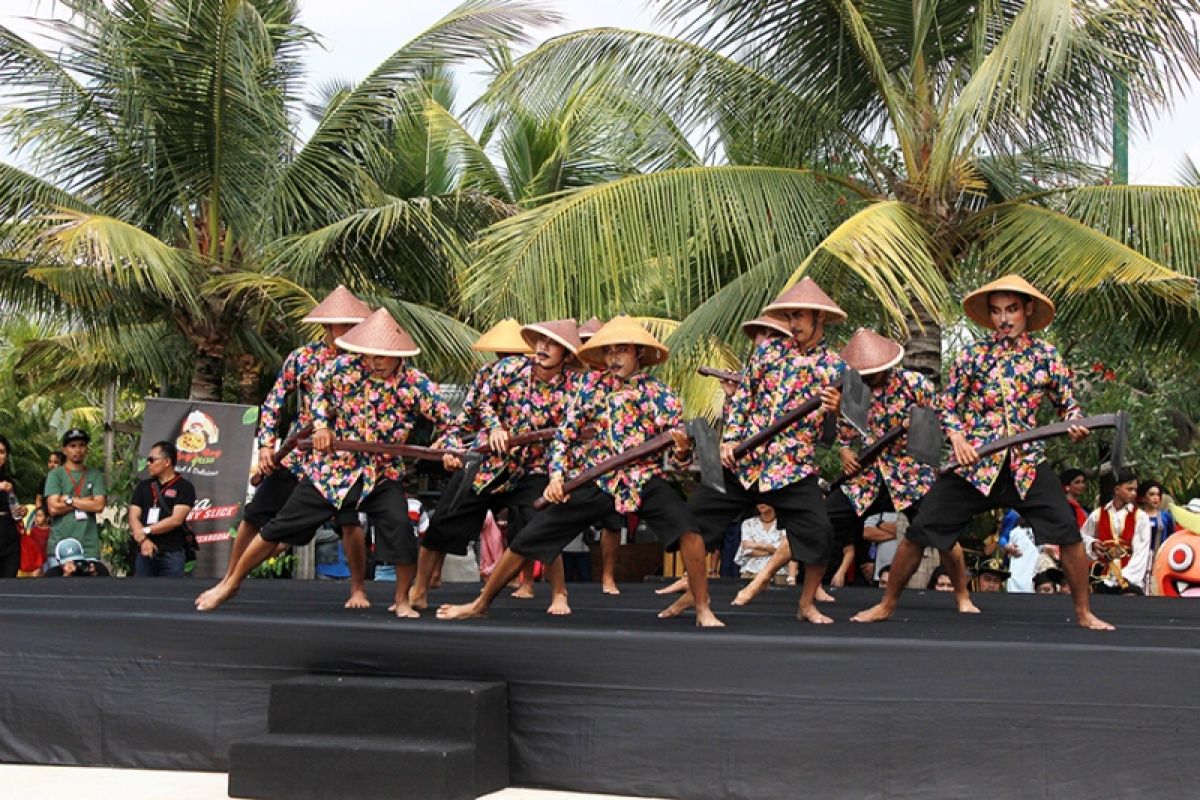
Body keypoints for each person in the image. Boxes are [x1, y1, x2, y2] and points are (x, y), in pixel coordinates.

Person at [852, 275, 1113, 630]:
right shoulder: (973, 355)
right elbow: (945, 405)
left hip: (1025, 465)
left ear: (1027, 310)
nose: (1004, 319)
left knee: (1068, 534)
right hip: (975, 465)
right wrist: (957, 436)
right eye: (996, 312)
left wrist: (1076, 424)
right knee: (920, 530)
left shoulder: (1045, 357)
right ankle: (886, 604)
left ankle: (1084, 613)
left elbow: (1068, 407)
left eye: (1012, 310)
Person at [438, 317, 725, 626]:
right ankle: (480, 603)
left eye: (622, 351)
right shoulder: (591, 387)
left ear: (638, 354)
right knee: (530, 536)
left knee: (689, 530)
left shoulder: (660, 393)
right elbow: (565, 435)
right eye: (609, 351)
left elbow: (677, 458)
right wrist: (558, 476)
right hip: (597, 478)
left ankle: (702, 607)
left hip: (642, 479)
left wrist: (681, 451)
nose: (614, 358)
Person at [197, 309, 453, 616]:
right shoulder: (341, 367)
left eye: (382, 357)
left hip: (382, 472)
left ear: (397, 355)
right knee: (276, 524)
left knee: (400, 528)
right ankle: (231, 582)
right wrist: (320, 426)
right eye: (370, 356)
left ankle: (400, 599)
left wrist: (447, 446)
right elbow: (316, 392)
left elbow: (450, 422)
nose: (374, 363)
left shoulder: (417, 384)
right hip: (333, 471)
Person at [686, 278, 845, 624]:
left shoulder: (837, 367)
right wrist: (729, 439)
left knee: (821, 532)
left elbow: (832, 438)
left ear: (819, 318)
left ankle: (805, 604)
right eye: (789, 316)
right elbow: (744, 399)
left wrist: (835, 410)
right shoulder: (769, 351)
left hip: (792, 466)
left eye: (799, 316)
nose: (793, 323)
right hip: (747, 460)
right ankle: (701, 605)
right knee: (693, 520)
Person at [413, 319, 582, 615]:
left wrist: (558, 474)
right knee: (444, 518)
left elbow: (571, 433)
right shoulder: (507, 370)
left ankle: (560, 593)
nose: (542, 348)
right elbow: (481, 405)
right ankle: (419, 589)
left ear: (566, 354)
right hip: (490, 461)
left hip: (533, 467)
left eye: (552, 344)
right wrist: (494, 427)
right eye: (540, 341)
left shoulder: (576, 389)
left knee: (542, 521)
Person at [216, 285, 372, 588]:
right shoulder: (304, 358)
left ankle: (357, 588)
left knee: (350, 522)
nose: (353, 329)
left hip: (344, 459)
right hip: (300, 453)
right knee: (255, 515)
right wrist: (266, 445)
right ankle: (229, 578)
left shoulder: (368, 362)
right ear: (328, 326)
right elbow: (274, 401)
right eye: (346, 323)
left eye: (357, 324)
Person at [128, 441, 197, 577]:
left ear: (166, 462)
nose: (148, 463)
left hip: (172, 553)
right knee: (141, 592)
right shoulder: (143, 486)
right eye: (148, 460)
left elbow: (176, 520)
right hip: (145, 551)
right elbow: (133, 516)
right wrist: (143, 540)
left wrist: (146, 530)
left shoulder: (185, 487)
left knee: (171, 593)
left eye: (152, 460)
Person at [1081, 471, 1151, 594]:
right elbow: (1083, 536)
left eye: (1135, 490)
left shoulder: (1140, 517)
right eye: (1129, 489)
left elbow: (1141, 550)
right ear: (1117, 489)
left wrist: (1126, 577)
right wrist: (1093, 543)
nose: (1133, 493)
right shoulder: (1098, 514)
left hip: (1128, 578)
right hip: (1102, 576)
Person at [44, 428, 107, 563]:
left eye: (81, 445)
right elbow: (53, 509)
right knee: (59, 584)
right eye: (72, 446)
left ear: (86, 449)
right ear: (65, 450)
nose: (77, 450)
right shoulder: (55, 475)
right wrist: (86, 501)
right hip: (59, 545)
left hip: (88, 546)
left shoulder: (95, 475)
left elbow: (99, 505)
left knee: (89, 583)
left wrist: (68, 500)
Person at [734, 504, 787, 582]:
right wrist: (773, 550)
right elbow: (746, 550)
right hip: (751, 572)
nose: (762, 503)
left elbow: (785, 549)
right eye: (758, 501)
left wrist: (756, 545)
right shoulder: (748, 523)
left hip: (779, 573)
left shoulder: (785, 523)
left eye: (766, 500)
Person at [0, 435, 23, 578]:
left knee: (9, 584)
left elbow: (15, 512)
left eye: (2, 452)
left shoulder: (8, 480)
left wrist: (20, 510)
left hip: (9, 536)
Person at [1138, 479, 1176, 554]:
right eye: (1151, 494)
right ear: (1143, 498)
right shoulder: (1137, 516)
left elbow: (1171, 538)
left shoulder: (1165, 517)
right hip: (1140, 557)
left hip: (1160, 556)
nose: (1155, 497)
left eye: (1158, 494)